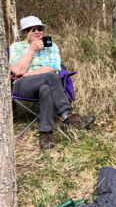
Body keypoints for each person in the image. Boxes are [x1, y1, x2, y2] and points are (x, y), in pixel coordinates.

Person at [10, 16, 95, 150]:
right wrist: (32, 50)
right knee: (50, 78)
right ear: (25, 33)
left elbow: (54, 67)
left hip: (42, 81)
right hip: (21, 86)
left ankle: (46, 133)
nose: (38, 32)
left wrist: (27, 74)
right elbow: (16, 70)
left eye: (40, 29)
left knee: (46, 88)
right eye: (33, 30)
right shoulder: (16, 47)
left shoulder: (50, 46)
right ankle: (69, 117)